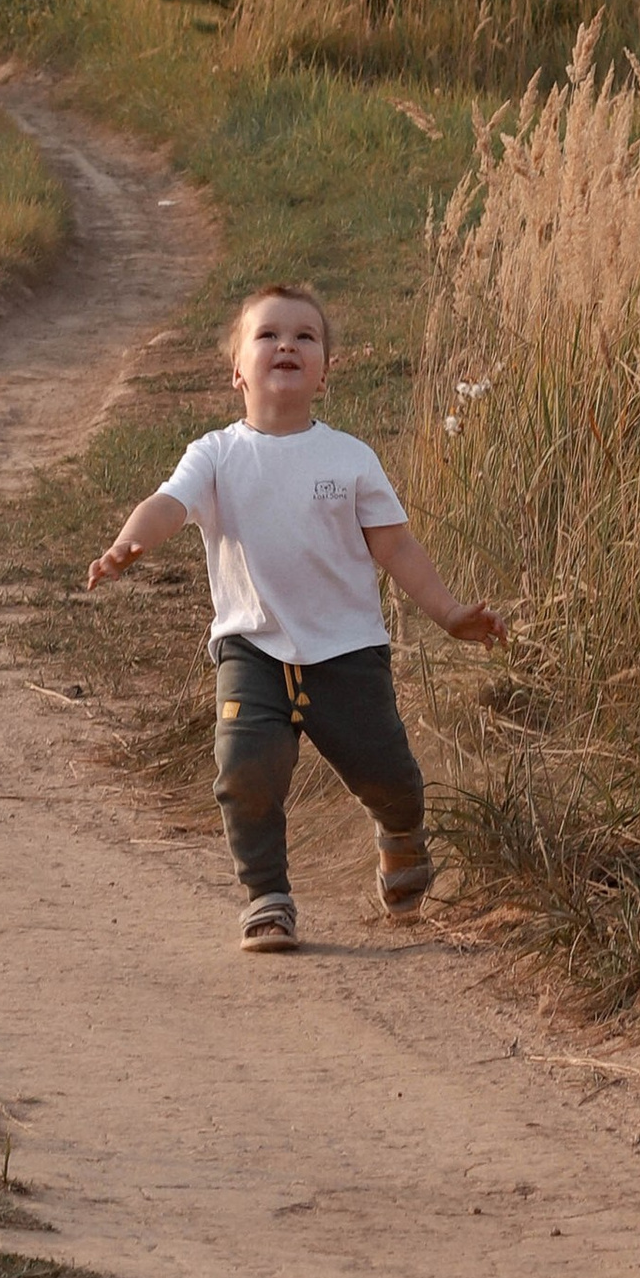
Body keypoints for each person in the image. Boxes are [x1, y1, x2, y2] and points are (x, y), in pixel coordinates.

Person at [86, 285, 502, 952]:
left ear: (325, 372)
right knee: (244, 768)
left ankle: (400, 835)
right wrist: (131, 541)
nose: (287, 345)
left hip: (349, 651)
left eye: (306, 337)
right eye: (268, 335)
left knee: (387, 775)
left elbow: (394, 546)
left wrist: (450, 613)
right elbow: (168, 504)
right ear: (237, 371)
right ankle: (268, 898)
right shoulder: (215, 454)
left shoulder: (350, 458)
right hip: (252, 649)